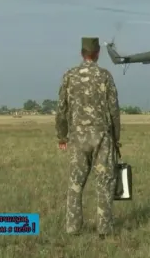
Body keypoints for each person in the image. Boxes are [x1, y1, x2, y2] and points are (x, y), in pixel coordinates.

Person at [55, 37, 121, 239]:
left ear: (82, 53)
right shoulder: (104, 76)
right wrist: (116, 139)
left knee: (75, 184)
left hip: (78, 138)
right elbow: (114, 111)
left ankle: (73, 228)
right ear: (98, 53)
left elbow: (61, 110)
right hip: (102, 137)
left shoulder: (70, 76)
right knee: (105, 184)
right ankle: (104, 229)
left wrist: (62, 136)